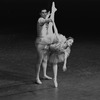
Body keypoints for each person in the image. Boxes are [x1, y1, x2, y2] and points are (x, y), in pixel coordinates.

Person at [35, 9, 53, 84]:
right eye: (42, 12)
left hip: (45, 42)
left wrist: (49, 16)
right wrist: (48, 18)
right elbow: (44, 21)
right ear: (40, 13)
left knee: (45, 59)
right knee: (39, 60)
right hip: (40, 42)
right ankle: (36, 78)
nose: (44, 13)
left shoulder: (45, 20)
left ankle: (44, 75)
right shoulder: (40, 19)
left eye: (45, 12)